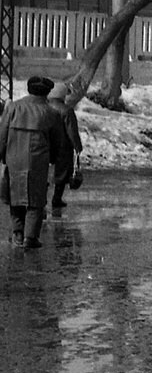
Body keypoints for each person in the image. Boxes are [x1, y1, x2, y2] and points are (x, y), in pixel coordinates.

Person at [0, 76, 69, 248]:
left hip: (14, 158)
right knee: (36, 199)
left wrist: (2, 155)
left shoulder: (13, 108)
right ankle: (30, 237)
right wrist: (53, 159)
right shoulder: (51, 113)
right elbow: (57, 142)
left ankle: (17, 232)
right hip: (38, 160)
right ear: (47, 92)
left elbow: (2, 134)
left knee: (15, 196)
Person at [46, 81, 84, 209]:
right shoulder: (66, 111)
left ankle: (42, 198)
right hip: (63, 146)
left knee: (44, 173)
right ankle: (57, 198)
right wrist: (77, 146)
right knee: (61, 173)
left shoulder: (44, 107)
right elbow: (72, 131)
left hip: (45, 144)